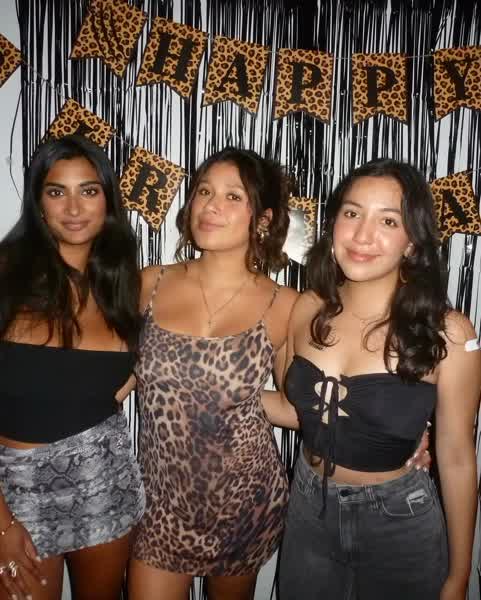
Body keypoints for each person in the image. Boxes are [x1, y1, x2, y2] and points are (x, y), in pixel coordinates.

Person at [273, 159, 481, 600]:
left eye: (388, 221)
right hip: (308, 507)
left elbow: (457, 456)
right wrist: (219, 390)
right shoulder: (307, 307)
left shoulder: (449, 332)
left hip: (399, 520)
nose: (362, 235)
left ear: (412, 241)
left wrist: (459, 575)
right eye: (352, 213)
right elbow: (296, 412)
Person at [127, 147, 299, 600]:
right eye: (204, 192)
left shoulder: (284, 305)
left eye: (232, 196)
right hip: (163, 506)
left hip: (244, 503)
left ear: (262, 220)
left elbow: (296, 409)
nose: (210, 206)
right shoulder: (148, 283)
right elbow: (114, 379)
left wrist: (399, 440)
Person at [0, 134, 145, 600]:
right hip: (15, 492)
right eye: (56, 191)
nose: (74, 207)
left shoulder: (125, 287)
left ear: (107, 201)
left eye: (89, 190)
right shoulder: (6, 276)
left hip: (104, 482)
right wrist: (2, 524)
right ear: (39, 204)